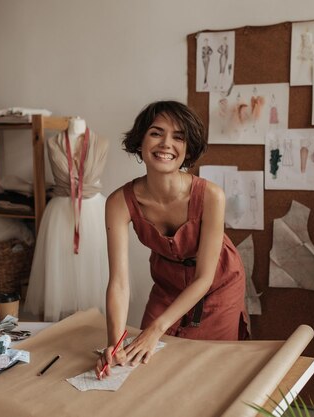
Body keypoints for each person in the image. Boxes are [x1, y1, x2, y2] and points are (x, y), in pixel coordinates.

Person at [96, 101, 249, 378]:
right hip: (167, 283)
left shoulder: (212, 196)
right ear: (140, 140)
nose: (166, 143)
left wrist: (156, 328)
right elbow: (118, 282)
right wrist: (115, 343)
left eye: (178, 137)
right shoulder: (119, 202)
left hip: (218, 283)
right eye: (156, 133)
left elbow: (204, 278)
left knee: (211, 371)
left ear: (188, 149)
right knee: (141, 364)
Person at [24, 117, 109, 322]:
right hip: (61, 212)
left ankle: (92, 328)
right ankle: (55, 333)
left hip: (93, 211)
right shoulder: (53, 143)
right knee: (59, 271)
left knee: (92, 271)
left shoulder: (102, 142)